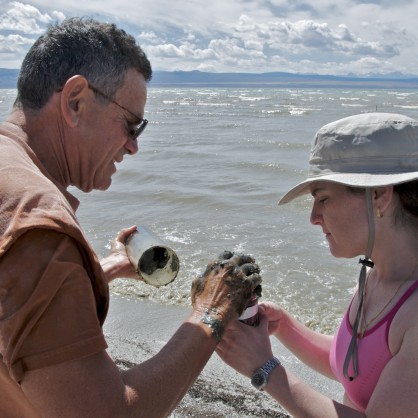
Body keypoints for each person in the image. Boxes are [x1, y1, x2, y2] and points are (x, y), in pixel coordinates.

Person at [0, 17, 261, 417]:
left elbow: (13, 304)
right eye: (131, 124)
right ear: (75, 101)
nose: (134, 146)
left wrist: (96, 272)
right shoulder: (39, 225)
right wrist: (212, 312)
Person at [216, 112, 418, 417]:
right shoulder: (376, 274)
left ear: (378, 196)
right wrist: (284, 325)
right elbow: (357, 369)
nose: (313, 217)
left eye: (322, 198)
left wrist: (265, 369)